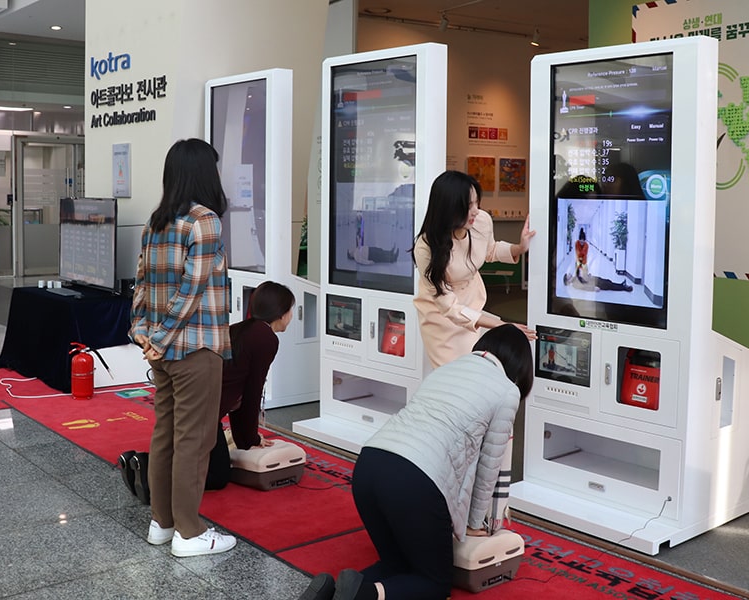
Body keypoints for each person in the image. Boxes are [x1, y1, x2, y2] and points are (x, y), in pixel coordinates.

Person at [299, 324, 534, 600]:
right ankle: (365, 594)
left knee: (396, 564)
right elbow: (489, 467)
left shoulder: (446, 370)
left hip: (370, 464)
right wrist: (474, 524)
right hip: (415, 479)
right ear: (520, 365)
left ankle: (329, 593)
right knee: (434, 584)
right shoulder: (507, 391)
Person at [129, 138, 236, 558]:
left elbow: (141, 284)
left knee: (166, 436)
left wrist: (143, 333)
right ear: (204, 173)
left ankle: (162, 523)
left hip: (163, 352)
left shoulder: (155, 222)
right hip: (195, 348)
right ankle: (189, 534)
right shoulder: (204, 221)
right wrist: (158, 339)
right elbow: (191, 293)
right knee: (194, 441)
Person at [412, 170, 535, 368]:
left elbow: (490, 250)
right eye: (469, 205)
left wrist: (520, 248)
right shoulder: (425, 248)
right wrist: (503, 325)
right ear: (449, 208)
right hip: (440, 316)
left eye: (477, 203)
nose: (476, 211)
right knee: (452, 372)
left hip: (473, 303)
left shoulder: (481, 221)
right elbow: (449, 308)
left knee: (475, 366)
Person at [205, 280, 295, 489]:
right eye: (290, 310)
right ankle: (151, 475)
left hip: (200, 409)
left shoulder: (242, 329)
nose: (291, 316)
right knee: (218, 477)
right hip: (203, 416)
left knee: (216, 466)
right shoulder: (265, 338)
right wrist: (251, 439)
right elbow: (252, 392)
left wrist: (245, 440)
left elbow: (239, 392)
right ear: (281, 313)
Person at [563, 265, 632, 292]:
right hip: (595, 283)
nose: (569, 274)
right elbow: (584, 287)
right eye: (568, 276)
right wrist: (593, 288)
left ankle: (621, 284)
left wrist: (587, 275)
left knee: (608, 282)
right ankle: (625, 288)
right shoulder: (575, 284)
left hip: (594, 279)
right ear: (568, 281)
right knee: (609, 285)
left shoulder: (575, 277)